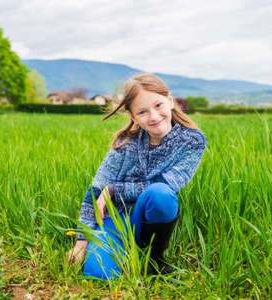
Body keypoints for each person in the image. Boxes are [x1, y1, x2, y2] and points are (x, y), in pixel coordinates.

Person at [67, 73, 207, 280]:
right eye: (142, 111)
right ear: (133, 117)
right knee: (98, 274)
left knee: (160, 193)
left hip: (152, 216)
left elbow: (169, 184)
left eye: (158, 105)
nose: (153, 116)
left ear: (170, 101)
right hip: (117, 216)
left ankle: (154, 259)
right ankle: (120, 247)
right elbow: (96, 189)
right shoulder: (125, 143)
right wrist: (81, 240)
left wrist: (115, 190)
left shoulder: (192, 141)